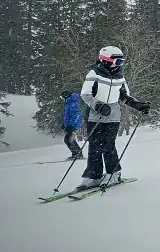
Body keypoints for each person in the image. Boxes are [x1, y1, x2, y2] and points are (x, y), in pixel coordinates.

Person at [77, 46, 151, 190]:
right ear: (105, 60)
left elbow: (124, 96)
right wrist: (98, 106)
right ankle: (94, 176)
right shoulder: (94, 73)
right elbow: (85, 94)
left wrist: (139, 105)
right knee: (94, 147)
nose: (119, 65)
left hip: (113, 117)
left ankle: (114, 173)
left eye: (121, 62)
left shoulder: (119, 76)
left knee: (108, 145)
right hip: (94, 116)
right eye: (117, 61)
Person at [60, 89, 84, 160]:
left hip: (74, 125)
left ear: (66, 96)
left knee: (68, 139)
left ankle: (77, 154)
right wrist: (65, 124)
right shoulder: (70, 103)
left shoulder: (72, 103)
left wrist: (71, 125)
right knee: (70, 139)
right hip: (72, 125)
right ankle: (78, 154)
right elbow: (69, 116)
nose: (62, 99)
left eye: (62, 97)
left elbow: (77, 115)